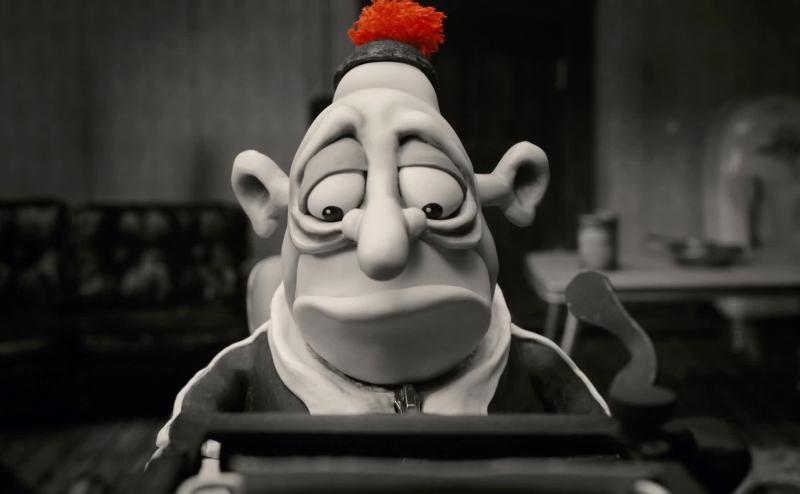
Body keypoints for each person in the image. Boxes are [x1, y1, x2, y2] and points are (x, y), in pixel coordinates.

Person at [151, 0, 607, 465]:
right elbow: (178, 455)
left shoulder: (525, 363)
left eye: (435, 204)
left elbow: (606, 452)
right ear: (264, 197)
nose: (382, 252)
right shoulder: (253, 367)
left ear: (516, 186)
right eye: (330, 208)